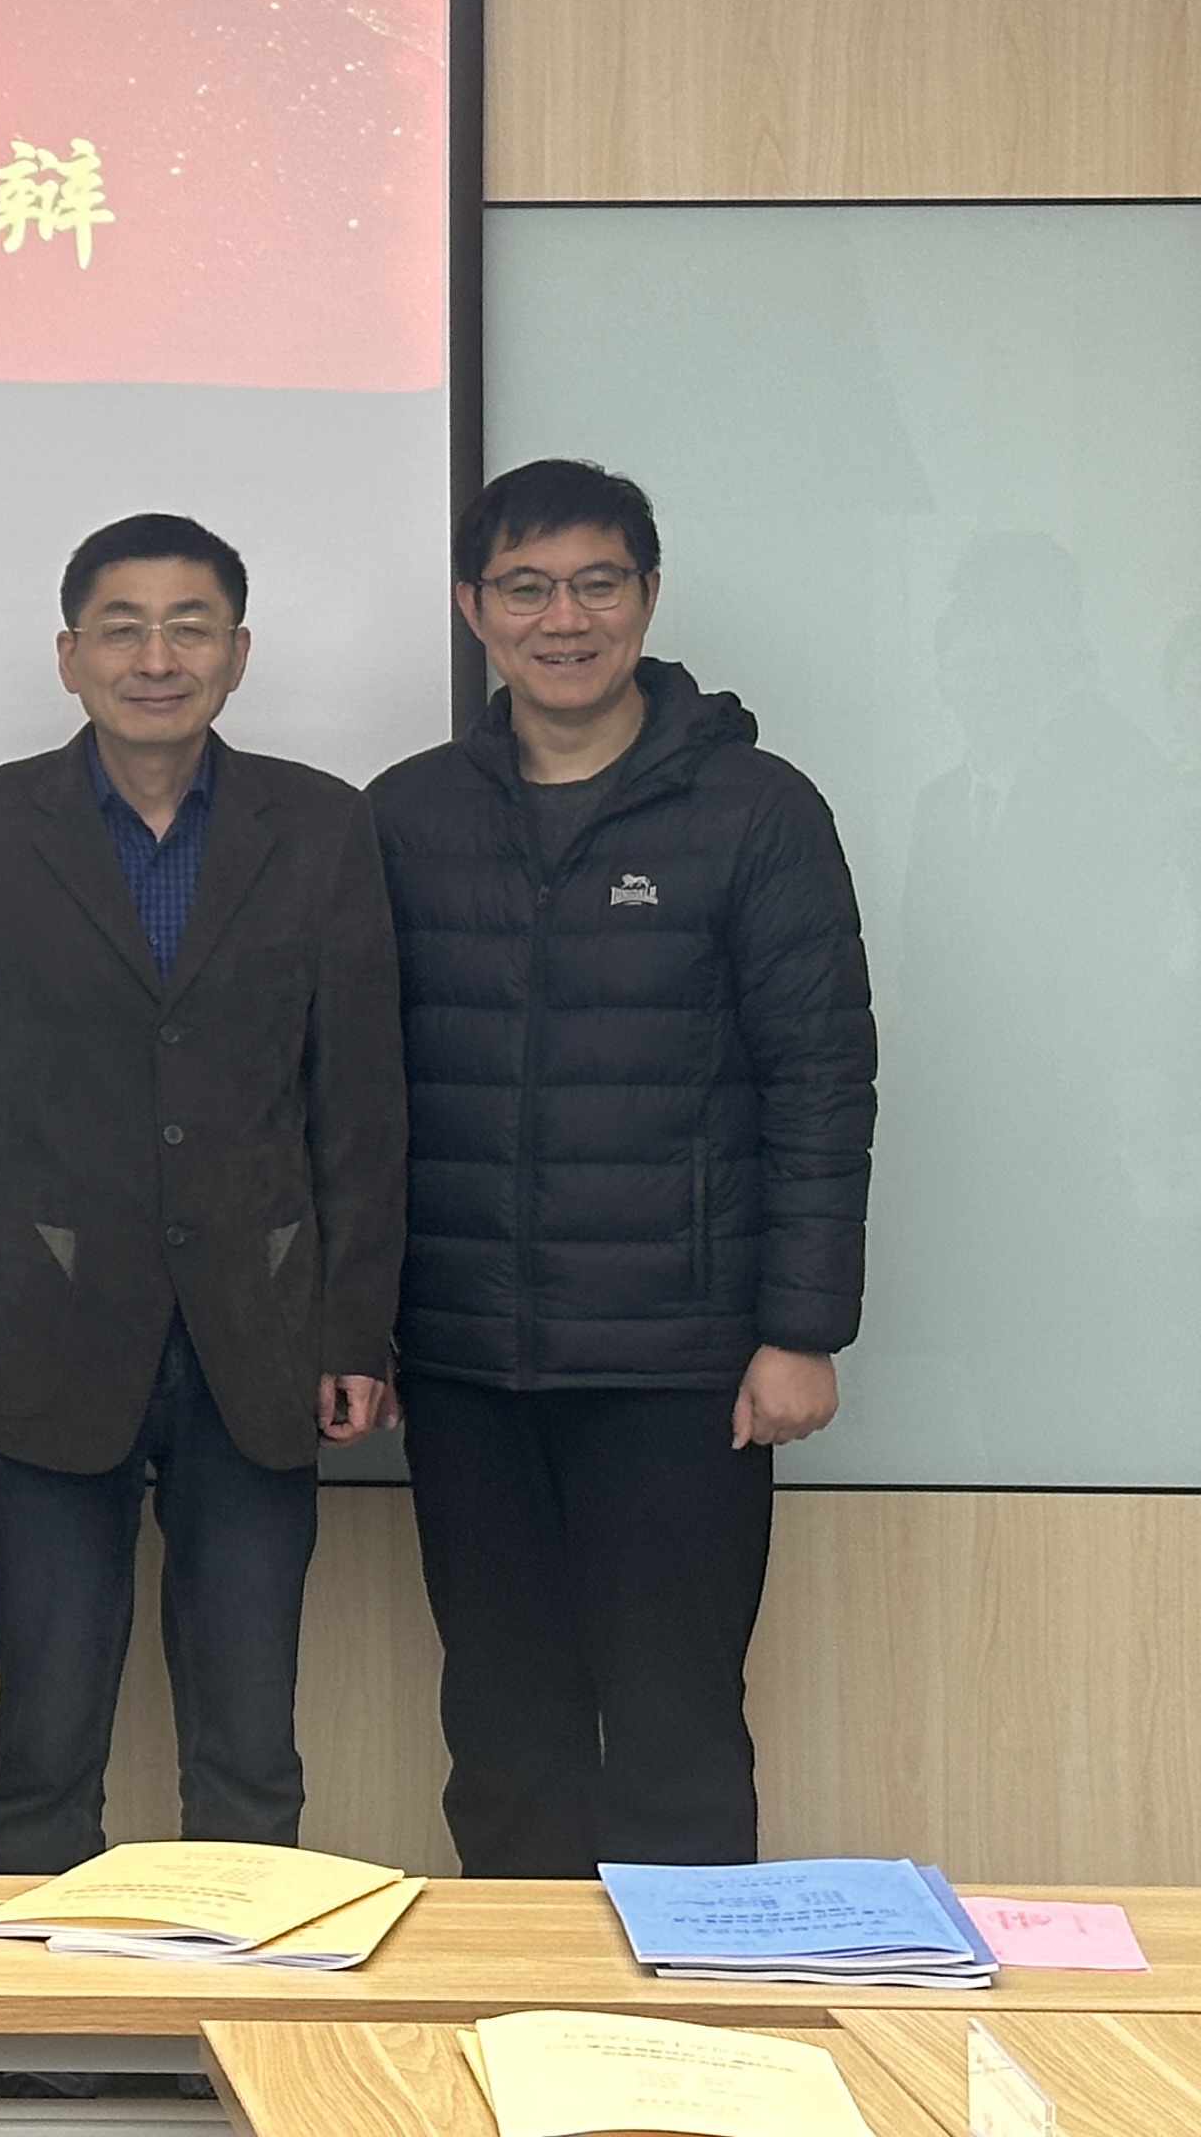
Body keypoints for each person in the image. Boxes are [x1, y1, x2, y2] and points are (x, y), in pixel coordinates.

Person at [0, 514, 410, 1874]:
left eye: (190, 627)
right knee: (45, 1739)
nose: (156, 657)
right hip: (41, 1327)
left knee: (250, 1743)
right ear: (70, 656)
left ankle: (241, 1991)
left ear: (238, 652)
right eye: (123, 628)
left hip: (263, 1333)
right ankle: (37, 2007)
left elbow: (360, 1100)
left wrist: (355, 1330)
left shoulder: (324, 825)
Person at [370, 458, 874, 1875]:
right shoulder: (408, 817)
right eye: (527, 588)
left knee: (673, 1731)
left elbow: (821, 1080)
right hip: (465, 1360)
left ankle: (689, 2012)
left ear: (648, 597)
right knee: (503, 1730)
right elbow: (350, 1095)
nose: (565, 618)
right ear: (474, 608)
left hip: (682, 1366)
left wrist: (802, 1331)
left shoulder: (756, 811)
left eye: (597, 584)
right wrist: (355, 1328)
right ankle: (524, 2005)